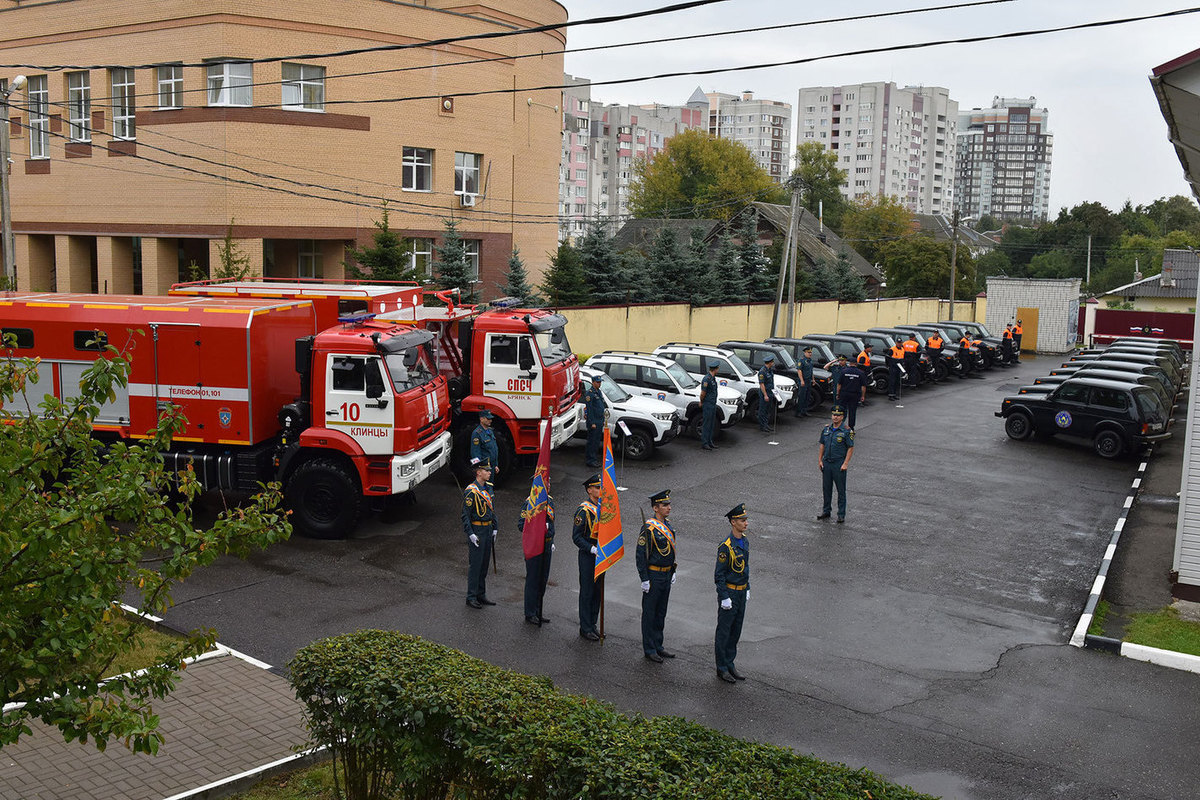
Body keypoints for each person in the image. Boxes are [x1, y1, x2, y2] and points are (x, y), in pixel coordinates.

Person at [637, 489, 677, 663]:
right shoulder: (649, 528)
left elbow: (670, 553)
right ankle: (649, 648)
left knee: (661, 612)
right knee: (650, 613)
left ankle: (658, 645)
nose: (668, 507)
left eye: (668, 504)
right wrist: (644, 578)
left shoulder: (668, 526)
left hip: (666, 574)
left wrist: (673, 571)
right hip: (653, 575)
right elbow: (641, 555)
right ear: (655, 508)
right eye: (664, 505)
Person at [714, 503, 750, 684]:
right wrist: (724, 596)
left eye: (746, 520)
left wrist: (747, 586)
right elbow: (719, 575)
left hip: (741, 593)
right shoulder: (725, 547)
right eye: (742, 520)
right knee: (724, 632)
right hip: (730, 593)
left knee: (736, 631)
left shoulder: (744, 541)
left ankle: (730, 663)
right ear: (733, 522)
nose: (746, 523)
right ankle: (721, 668)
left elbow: (745, 568)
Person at [518, 476, 554, 626]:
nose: (548, 486)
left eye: (549, 483)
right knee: (533, 580)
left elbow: (552, 522)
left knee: (542, 579)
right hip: (534, 546)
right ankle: (530, 612)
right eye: (545, 484)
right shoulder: (529, 502)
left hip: (546, 545)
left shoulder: (549, 500)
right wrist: (537, 529)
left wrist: (551, 538)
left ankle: (538, 610)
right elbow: (522, 525)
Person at [463, 459, 498, 609]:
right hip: (477, 530)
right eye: (486, 470)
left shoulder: (488, 488)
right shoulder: (471, 491)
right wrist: (470, 533)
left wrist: (495, 527)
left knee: (484, 564)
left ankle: (481, 594)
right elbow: (465, 515)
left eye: (489, 470)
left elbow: (492, 510)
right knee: (475, 565)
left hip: (488, 529)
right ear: (479, 472)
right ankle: (471, 596)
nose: (489, 473)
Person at [573, 474, 604, 641]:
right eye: (597, 487)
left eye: (600, 487)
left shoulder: (602, 507)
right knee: (587, 592)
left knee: (597, 591)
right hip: (588, 555)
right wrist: (591, 548)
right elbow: (576, 537)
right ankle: (585, 627)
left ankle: (592, 624)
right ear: (589, 490)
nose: (600, 490)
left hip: (601, 555)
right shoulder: (583, 510)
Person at [816, 407, 854, 524]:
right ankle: (826, 511)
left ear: (842, 417)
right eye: (834, 415)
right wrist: (820, 460)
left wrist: (845, 463)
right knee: (826, 489)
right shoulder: (826, 429)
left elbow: (850, 448)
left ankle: (841, 514)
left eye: (838, 415)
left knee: (840, 490)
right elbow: (822, 445)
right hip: (827, 462)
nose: (835, 417)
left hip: (839, 464)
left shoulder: (847, 431)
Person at [836, 356, 866, 429]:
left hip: (844, 393)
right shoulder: (861, 373)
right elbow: (863, 386)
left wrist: (837, 393)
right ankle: (851, 427)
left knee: (841, 410)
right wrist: (863, 396)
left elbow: (839, 384)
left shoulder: (844, 371)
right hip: (854, 394)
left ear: (849, 363)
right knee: (852, 411)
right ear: (856, 364)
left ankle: (840, 425)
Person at [583, 374, 606, 467]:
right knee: (592, 441)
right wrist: (592, 422)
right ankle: (590, 460)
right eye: (597, 382)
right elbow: (589, 409)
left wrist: (603, 420)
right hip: (594, 422)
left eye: (600, 382)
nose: (599, 384)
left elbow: (601, 406)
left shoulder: (598, 392)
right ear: (593, 383)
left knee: (596, 441)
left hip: (599, 420)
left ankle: (593, 458)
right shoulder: (590, 393)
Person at [470, 410, 499, 478]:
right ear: (481, 419)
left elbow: (494, 449)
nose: (490, 421)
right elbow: (475, 452)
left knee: (490, 486)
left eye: (491, 419)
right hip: (484, 469)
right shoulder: (477, 433)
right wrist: (478, 469)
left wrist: (495, 465)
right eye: (488, 419)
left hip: (491, 467)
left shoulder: (490, 431)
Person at [700, 360, 720, 450]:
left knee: (711, 424)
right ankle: (705, 442)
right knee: (706, 424)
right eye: (718, 368)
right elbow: (703, 393)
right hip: (708, 404)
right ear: (715, 369)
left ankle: (709, 441)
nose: (718, 370)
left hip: (712, 404)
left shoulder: (713, 378)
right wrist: (701, 401)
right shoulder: (706, 379)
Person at [757, 354, 776, 432]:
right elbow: (762, 384)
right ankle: (762, 426)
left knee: (768, 410)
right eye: (772, 362)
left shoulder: (770, 370)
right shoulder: (762, 372)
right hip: (765, 393)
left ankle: (766, 424)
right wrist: (765, 395)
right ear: (769, 362)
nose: (773, 363)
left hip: (770, 392)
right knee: (763, 410)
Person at [794, 346, 813, 418]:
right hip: (803, 381)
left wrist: (813, 379)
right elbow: (799, 370)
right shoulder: (801, 360)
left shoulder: (810, 360)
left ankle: (804, 411)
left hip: (808, 381)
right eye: (808, 352)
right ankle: (798, 412)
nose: (810, 354)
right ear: (805, 352)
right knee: (801, 397)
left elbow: (811, 370)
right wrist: (802, 380)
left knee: (807, 397)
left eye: (811, 352)